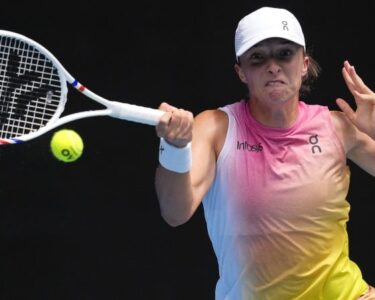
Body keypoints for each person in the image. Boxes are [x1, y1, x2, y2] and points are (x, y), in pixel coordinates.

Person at [154, 6, 375, 300]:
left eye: (285, 53)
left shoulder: (338, 126)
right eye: (257, 57)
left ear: (304, 63)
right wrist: (174, 147)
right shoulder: (215, 128)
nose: (273, 66)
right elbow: (175, 212)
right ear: (241, 71)